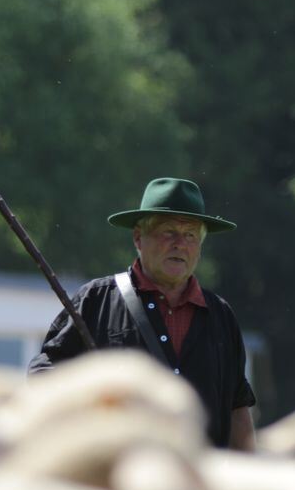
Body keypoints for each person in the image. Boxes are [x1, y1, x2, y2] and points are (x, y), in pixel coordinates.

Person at [28, 177, 257, 451]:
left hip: (197, 483)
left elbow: (237, 407)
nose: (180, 244)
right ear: (138, 237)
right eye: (169, 232)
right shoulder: (95, 300)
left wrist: (246, 471)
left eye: (190, 235)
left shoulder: (220, 315)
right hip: (114, 480)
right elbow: (45, 376)